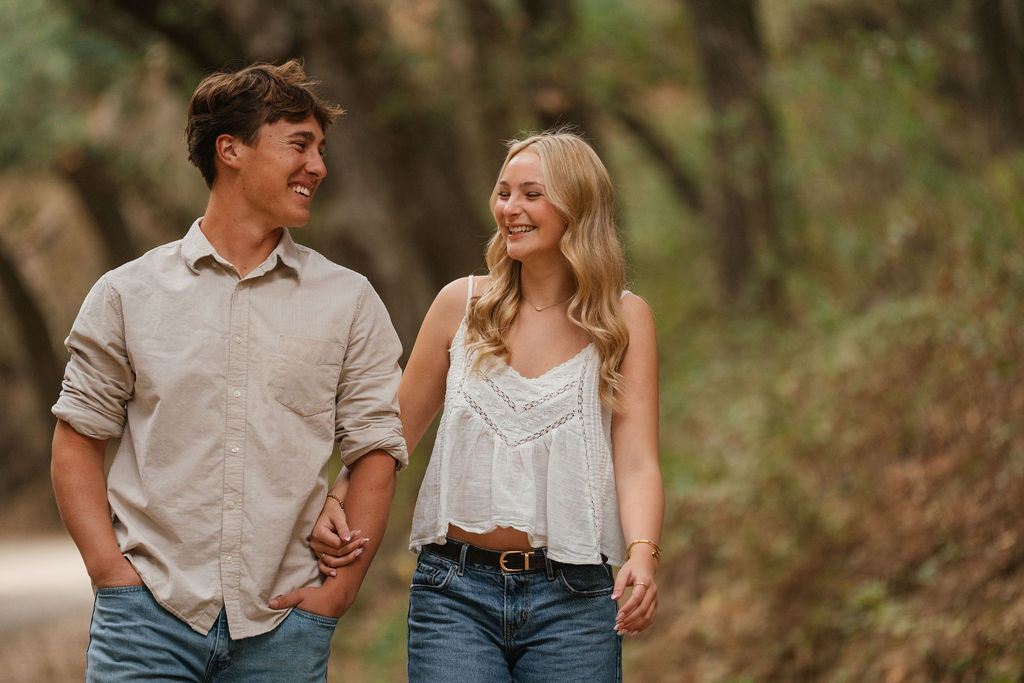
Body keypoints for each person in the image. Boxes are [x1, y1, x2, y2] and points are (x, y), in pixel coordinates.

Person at [50, 60, 407, 682]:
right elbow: (78, 441)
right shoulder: (127, 294)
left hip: (284, 626)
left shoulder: (349, 301)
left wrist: (339, 593)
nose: (318, 166)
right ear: (231, 150)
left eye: (321, 150)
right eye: (299, 145)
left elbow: (375, 446)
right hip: (148, 622)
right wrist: (111, 573)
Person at [316, 130, 663, 681]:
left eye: (531, 194)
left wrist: (642, 554)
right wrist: (338, 494)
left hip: (574, 601)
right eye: (503, 193)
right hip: (454, 594)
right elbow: (392, 431)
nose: (509, 208)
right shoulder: (462, 304)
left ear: (577, 206)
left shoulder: (623, 319)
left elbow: (637, 460)